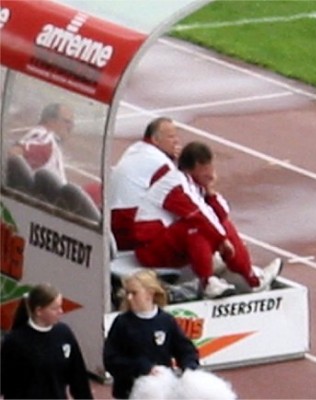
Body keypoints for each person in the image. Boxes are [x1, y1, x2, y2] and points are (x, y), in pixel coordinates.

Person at [133, 141, 283, 299]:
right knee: (197, 228)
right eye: (209, 166)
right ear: (198, 165)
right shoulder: (176, 185)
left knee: (219, 225)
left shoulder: (194, 185)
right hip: (150, 248)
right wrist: (222, 240)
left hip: (169, 246)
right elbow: (200, 216)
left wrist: (210, 190)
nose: (212, 171)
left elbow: (222, 215)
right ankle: (209, 283)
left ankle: (251, 278)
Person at [103, 269, 200, 399]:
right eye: (127, 293)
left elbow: (185, 350)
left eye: (134, 293)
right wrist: (142, 368)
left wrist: (189, 367)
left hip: (162, 392)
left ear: (150, 293)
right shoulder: (122, 323)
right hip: (128, 393)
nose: (129, 298)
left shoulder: (166, 321)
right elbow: (110, 359)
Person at [0, 283, 93, 399]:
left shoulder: (64, 334)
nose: (61, 311)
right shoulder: (14, 342)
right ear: (39, 311)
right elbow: (4, 381)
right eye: (55, 308)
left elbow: (78, 378)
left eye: (61, 306)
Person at [109, 117, 181, 250]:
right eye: (171, 137)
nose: (176, 141)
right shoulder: (161, 163)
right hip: (131, 228)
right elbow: (180, 198)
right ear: (155, 139)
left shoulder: (135, 149)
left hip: (111, 221)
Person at [10, 102, 74, 184]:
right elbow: (13, 154)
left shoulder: (48, 140)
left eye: (72, 123)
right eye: (67, 122)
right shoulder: (46, 140)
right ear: (51, 121)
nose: (71, 127)